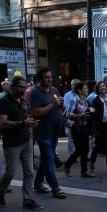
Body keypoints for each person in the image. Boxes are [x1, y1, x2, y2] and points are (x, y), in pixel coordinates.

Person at [0, 76, 41, 209]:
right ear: (12, 87)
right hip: (12, 143)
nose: (23, 89)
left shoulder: (23, 101)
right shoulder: (4, 101)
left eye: (25, 87)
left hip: (26, 140)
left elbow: (26, 117)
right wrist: (22, 123)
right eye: (21, 87)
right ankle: (1, 191)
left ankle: (28, 199)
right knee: (10, 172)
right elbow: (2, 123)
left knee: (29, 172)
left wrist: (31, 124)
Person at [28, 68, 67, 199]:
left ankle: (38, 182)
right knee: (49, 158)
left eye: (50, 77)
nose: (49, 80)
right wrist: (53, 104)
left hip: (55, 130)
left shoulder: (54, 90)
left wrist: (61, 106)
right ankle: (55, 188)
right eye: (46, 77)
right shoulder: (35, 92)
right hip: (43, 132)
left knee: (46, 159)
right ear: (40, 79)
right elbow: (35, 112)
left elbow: (58, 106)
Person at [63, 81, 93, 178]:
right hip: (76, 128)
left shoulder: (86, 100)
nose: (87, 90)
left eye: (87, 88)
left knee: (86, 149)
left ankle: (84, 172)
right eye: (85, 88)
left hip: (84, 128)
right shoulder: (74, 100)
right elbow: (67, 115)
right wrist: (82, 115)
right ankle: (67, 165)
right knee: (80, 150)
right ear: (79, 90)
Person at [89, 80, 107, 175]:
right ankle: (92, 162)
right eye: (100, 87)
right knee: (98, 145)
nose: (102, 88)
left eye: (104, 86)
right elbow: (94, 115)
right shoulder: (96, 100)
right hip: (100, 126)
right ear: (98, 89)